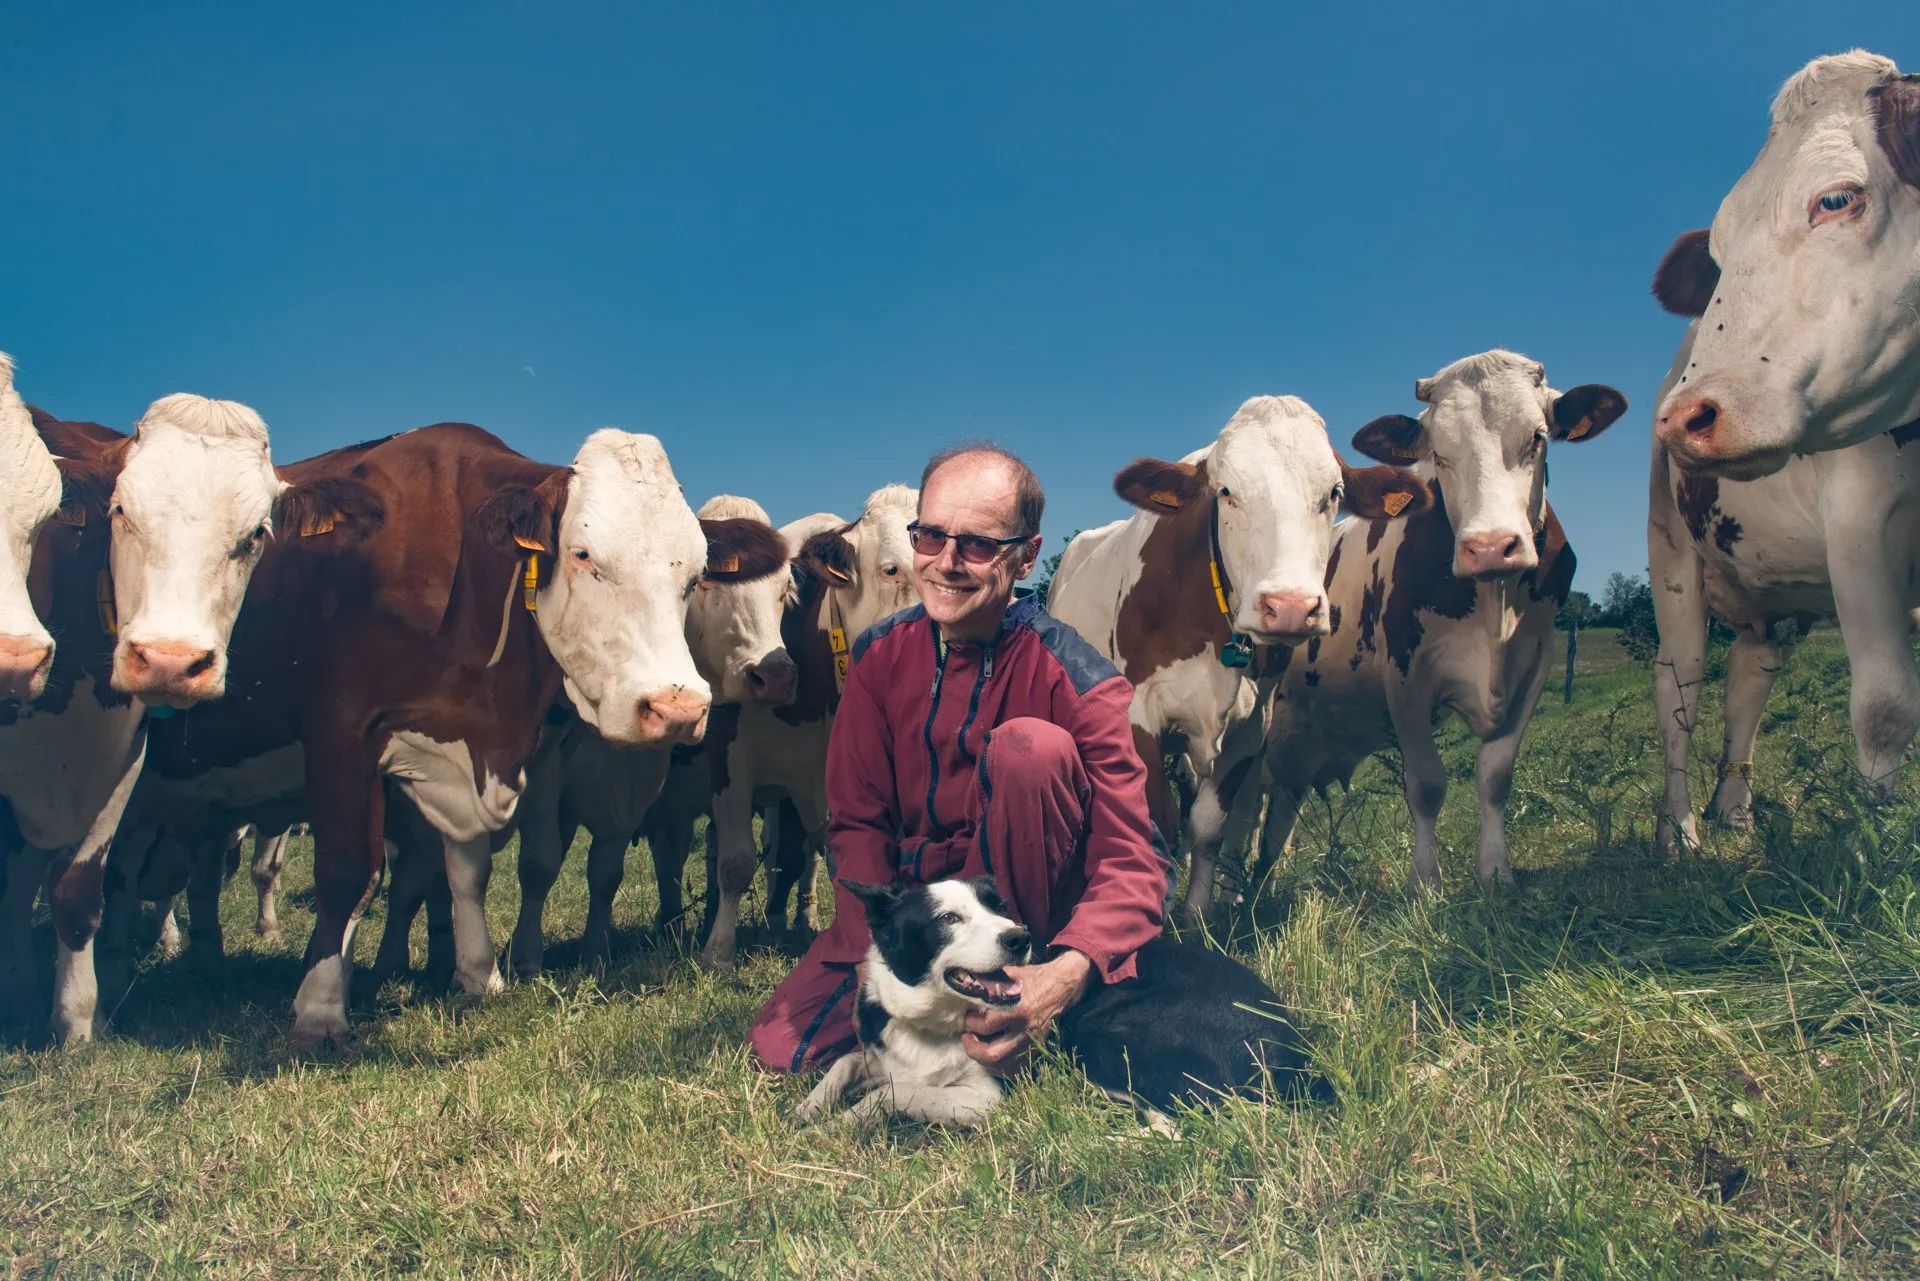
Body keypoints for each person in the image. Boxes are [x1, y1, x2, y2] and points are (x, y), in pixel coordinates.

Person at [748, 442, 1171, 1076]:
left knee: (1030, 748)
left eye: (977, 545)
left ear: (1027, 556)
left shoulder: (1082, 681)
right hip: (916, 923)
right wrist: (881, 949)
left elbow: (1134, 859)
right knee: (785, 1051)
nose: (945, 563)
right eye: (930, 537)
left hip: (1026, 918)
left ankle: (1030, 995)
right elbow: (858, 820)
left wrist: (1070, 969)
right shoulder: (877, 657)